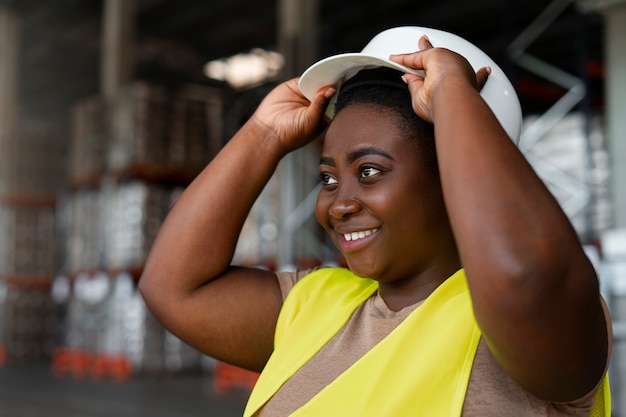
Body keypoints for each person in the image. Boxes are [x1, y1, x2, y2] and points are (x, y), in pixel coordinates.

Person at [139, 26, 612, 416]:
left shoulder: (524, 327)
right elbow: (174, 287)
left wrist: (452, 95)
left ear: (454, 174)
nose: (337, 205)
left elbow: (521, 275)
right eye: (328, 178)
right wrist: (262, 134)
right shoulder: (317, 306)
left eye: (369, 171)